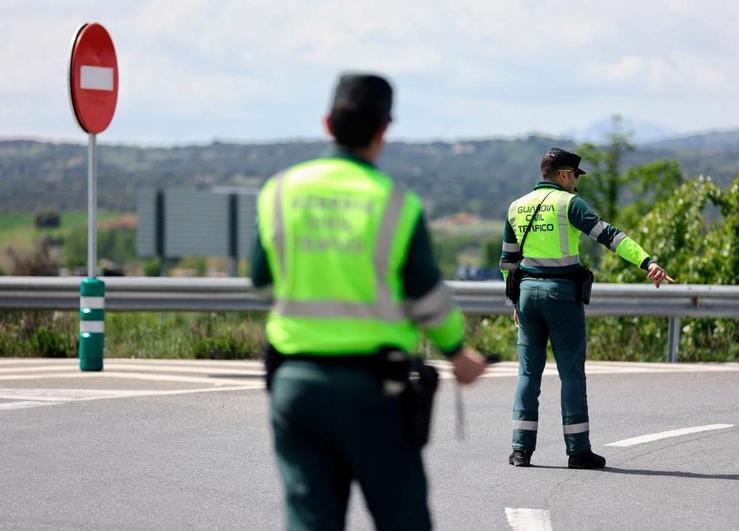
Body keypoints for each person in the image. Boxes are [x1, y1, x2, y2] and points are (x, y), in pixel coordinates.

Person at [251, 73, 487, 530]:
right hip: (375, 391)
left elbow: (262, 282)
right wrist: (458, 353)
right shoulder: (396, 203)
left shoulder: (280, 191)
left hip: (295, 384)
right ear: (384, 129)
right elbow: (427, 296)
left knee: (309, 519)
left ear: (327, 124)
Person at [499, 148, 673, 469]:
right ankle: (578, 451)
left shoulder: (516, 207)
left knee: (527, 373)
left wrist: (514, 303)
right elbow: (609, 235)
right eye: (575, 176)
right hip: (561, 296)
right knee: (571, 375)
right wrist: (646, 262)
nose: (576, 183)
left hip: (526, 295)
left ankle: (520, 450)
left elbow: (508, 262)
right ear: (564, 174)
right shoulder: (569, 204)